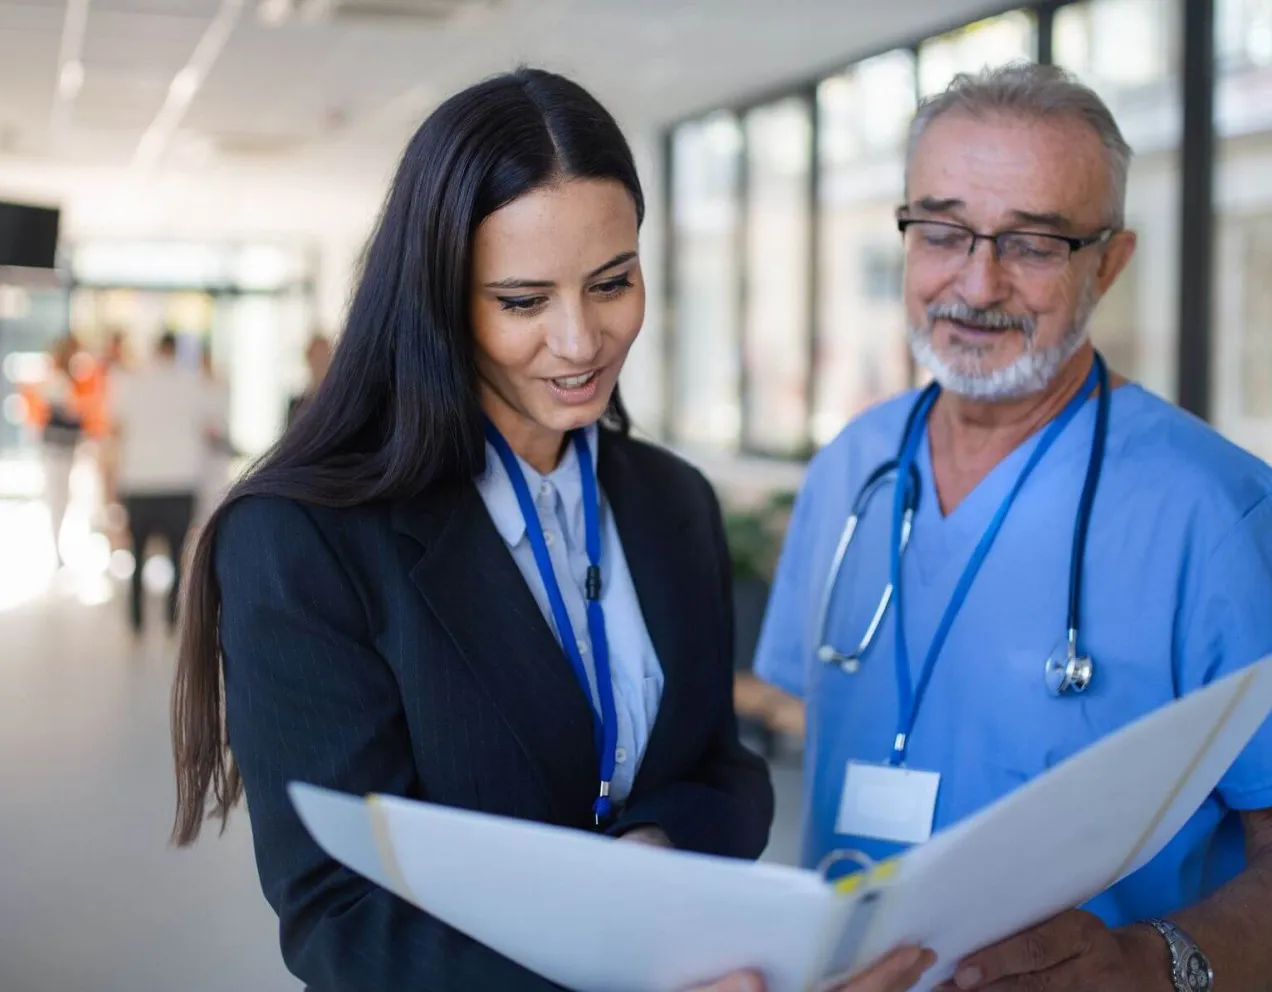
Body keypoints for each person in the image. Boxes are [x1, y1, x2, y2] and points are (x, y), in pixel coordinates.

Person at [166, 69, 931, 992]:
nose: (580, 342)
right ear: (440, 301)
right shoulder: (306, 539)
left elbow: (725, 774)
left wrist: (649, 853)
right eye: (524, 302)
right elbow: (339, 913)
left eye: (612, 283)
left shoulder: (671, 502)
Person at [755, 61, 1272, 991]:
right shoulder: (850, 472)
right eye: (943, 231)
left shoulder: (1218, 515)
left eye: (1033, 244)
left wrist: (1154, 966)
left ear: (1108, 262)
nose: (977, 281)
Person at [110, 331, 216, 634]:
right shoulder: (192, 383)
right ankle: (172, 617)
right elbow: (209, 426)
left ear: (156, 349)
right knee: (176, 554)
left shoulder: (134, 383)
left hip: (139, 481)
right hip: (179, 480)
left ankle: (136, 619)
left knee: (137, 555)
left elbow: (118, 429)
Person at [36, 334, 84, 566]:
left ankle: (58, 547)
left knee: (63, 498)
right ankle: (56, 550)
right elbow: (61, 415)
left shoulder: (68, 381)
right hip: (56, 449)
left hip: (65, 448)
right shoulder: (56, 381)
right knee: (57, 498)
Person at [285, 332, 332, 427]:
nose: (320, 363)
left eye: (324, 357)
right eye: (317, 357)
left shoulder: (335, 403)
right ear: (309, 358)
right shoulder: (296, 405)